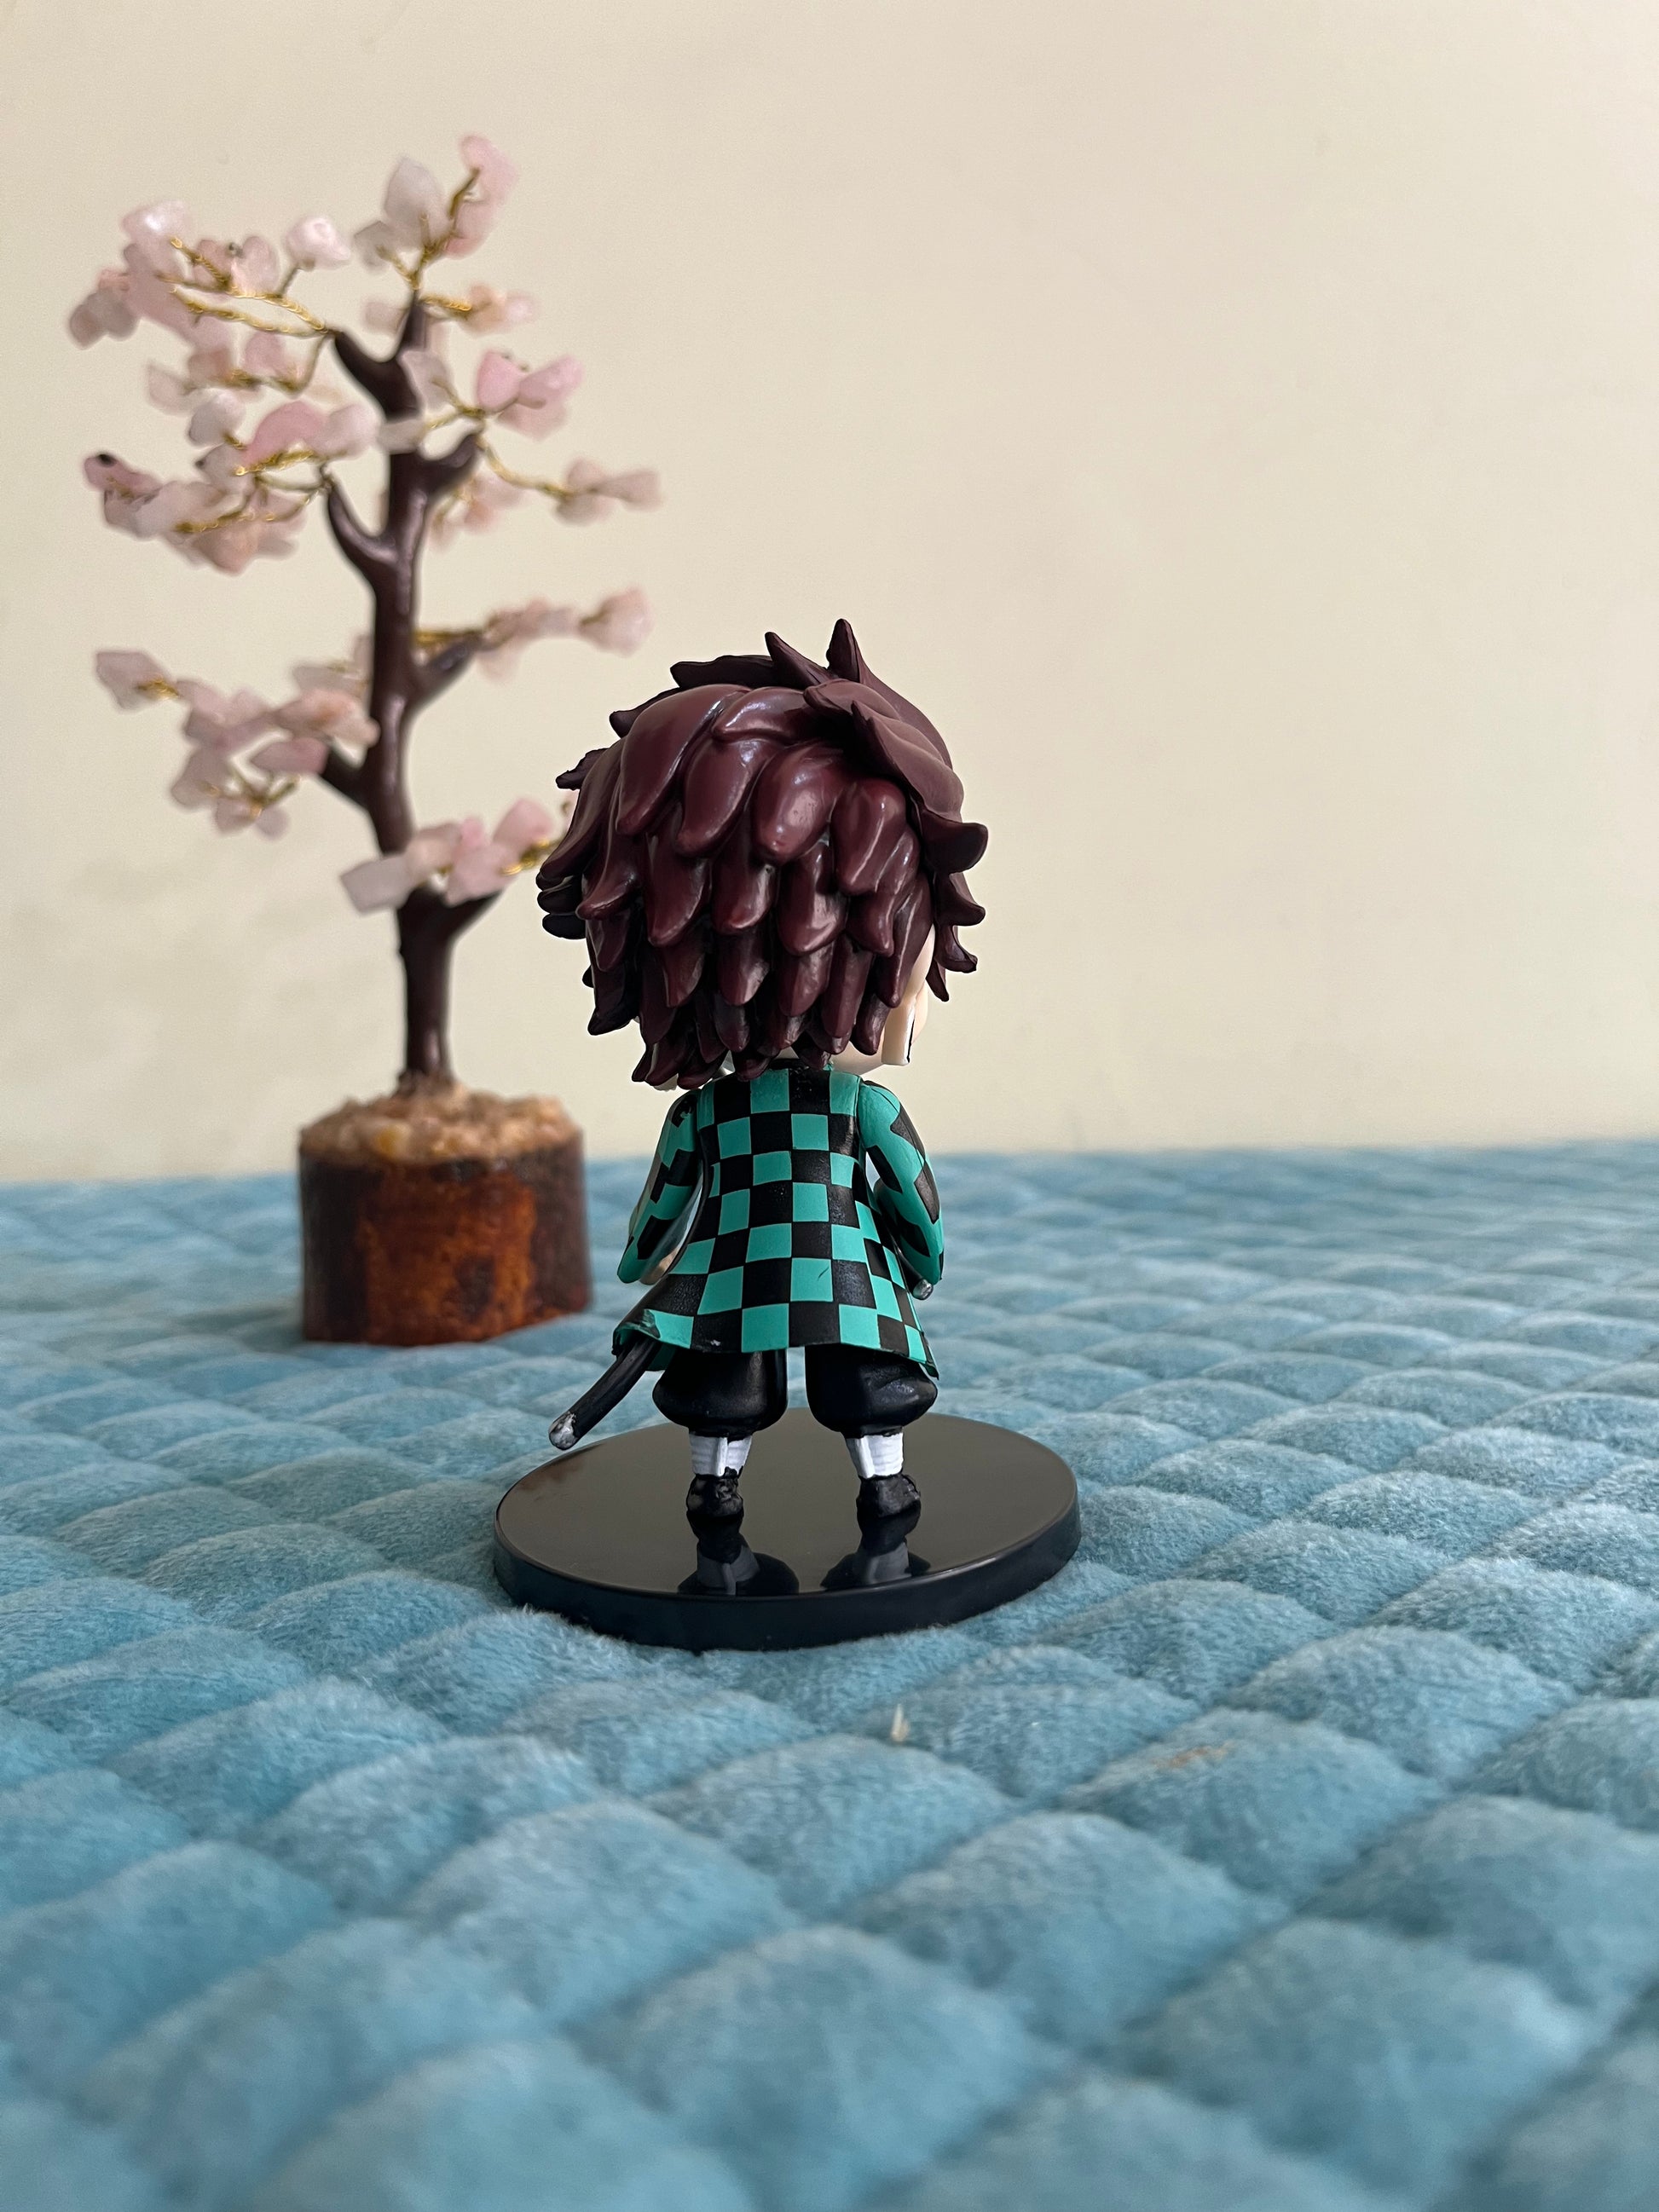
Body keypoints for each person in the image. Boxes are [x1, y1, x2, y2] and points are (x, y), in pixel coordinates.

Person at [535, 620, 986, 1518]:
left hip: (727, 1273)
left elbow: (662, 1205)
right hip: (847, 1273)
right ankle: (879, 1478)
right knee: (866, 1370)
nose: (918, 1002)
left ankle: (716, 1481)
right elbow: (912, 1197)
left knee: (725, 1379)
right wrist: (920, 1260)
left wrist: (644, 1262)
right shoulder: (861, 1109)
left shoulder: (706, 1114)